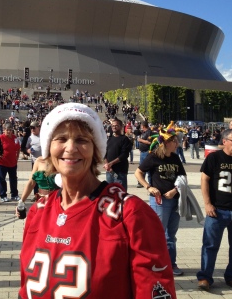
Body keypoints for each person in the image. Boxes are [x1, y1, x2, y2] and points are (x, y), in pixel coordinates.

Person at [19, 103, 176, 298]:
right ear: (48, 148)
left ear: (95, 149)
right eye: (61, 139)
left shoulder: (131, 214)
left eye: (82, 140)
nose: (70, 148)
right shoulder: (37, 212)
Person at [135, 125, 187, 277]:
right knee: (159, 233)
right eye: (173, 141)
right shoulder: (153, 157)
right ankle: (157, 263)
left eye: (176, 141)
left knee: (171, 234)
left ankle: (171, 263)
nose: (176, 144)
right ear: (165, 142)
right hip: (159, 200)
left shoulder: (175, 157)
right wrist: (148, 187)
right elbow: (138, 173)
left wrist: (175, 190)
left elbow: (182, 177)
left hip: (174, 200)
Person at [196, 128, 232, 291]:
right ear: (224, 141)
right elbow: (204, 180)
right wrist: (208, 203)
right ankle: (205, 277)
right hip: (217, 210)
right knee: (210, 245)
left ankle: (230, 276)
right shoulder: (214, 158)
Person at [0, 123, 21, 202]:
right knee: (2, 179)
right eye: (7, 130)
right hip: (2, 162)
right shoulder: (1, 137)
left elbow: (18, 148)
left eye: (10, 130)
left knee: (13, 179)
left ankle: (14, 194)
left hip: (12, 162)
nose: (9, 131)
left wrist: (17, 157)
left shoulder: (15, 138)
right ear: (4, 130)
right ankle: (3, 195)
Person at [103, 118, 132, 190]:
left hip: (120, 172)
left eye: (116, 125)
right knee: (109, 193)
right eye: (112, 125)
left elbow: (124, 155)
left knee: (121, 193)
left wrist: (111, 163)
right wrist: (107, 164)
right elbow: (105, 153)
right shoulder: (109, 139)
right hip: (109, 171)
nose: (114, 127)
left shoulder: (124, 139)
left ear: (121, 127)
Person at [25, 121, 42, 200]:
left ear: (38, 127)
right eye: (31, 128)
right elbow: (26, 147)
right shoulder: (30, 137)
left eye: (33, 128)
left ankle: (43, 194)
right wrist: (28, 151)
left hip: (43, 161)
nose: (32, 129)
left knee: (43, 178)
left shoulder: (43, 136)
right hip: (34, 161)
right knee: (35, 178)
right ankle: (36, 195)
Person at [136, 120, 152, 187]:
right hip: (143, 152)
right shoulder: (144, 132)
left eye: (141, 126)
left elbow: (149, 142)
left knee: (147, 168)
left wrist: (140, 140)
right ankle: (141, 182)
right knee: (142, 168)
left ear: (143, 126)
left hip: (146, 152)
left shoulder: (149, 132)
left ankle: (151, 183)